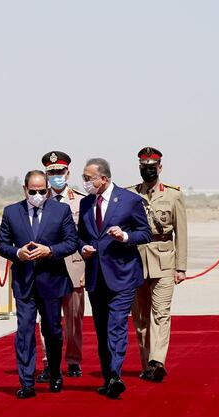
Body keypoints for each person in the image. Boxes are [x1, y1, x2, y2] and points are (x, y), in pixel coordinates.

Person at [0, 170, 78, 399]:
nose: (38, 195)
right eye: (33, 191)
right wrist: (17, 253)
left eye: (42, 191)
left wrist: (50, 250)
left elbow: (71, 242)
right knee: (24, 332)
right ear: (25, 189)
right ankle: (27, 382)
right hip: (24, 283)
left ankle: (55, 372)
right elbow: (2, 244)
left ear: (48, 190)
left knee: (52, 331)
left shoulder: (60, 211)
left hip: (51, 281)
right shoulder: (11, 212)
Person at [78, 158, 151, 399]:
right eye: (84, 178)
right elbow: (80, 236)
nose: (85, 182)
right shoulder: (87, 203)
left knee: (116, 325)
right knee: (101, 329)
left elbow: (145, 233)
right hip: (96, 276)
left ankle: (116, 375)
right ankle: (109, 376)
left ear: (104, 179)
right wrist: (83, 248)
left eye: (89, 178)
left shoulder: (129, 201)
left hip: (122, 275)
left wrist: (125, 236)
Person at [128, 147, 188, 382]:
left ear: (160, 168)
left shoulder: (173, 196)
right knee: (141, 317)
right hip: (137, 261)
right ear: (140, 168)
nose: (149, 171)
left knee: (161, 313)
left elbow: (181, 233)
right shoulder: (130, 195)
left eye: (153, 167)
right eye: (145, 167)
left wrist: (180, 267)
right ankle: (147, 364)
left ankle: (157, 360)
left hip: (164, 260)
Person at [34, 151, 86, 382]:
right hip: (47, 269)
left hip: (74, 267)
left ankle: (73, 360)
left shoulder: (81, 200)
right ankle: (49, 362)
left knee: (74, 318)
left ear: (68, 173)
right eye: (51, 172)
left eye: (60, 172)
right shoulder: (38, 200)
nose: (56, 176)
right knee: (47, 320)